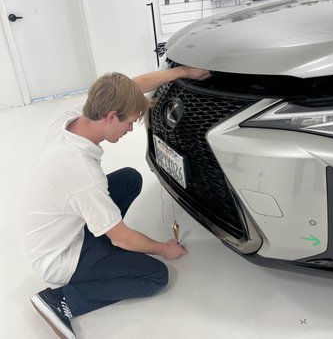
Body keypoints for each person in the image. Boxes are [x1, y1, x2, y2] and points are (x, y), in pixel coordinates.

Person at [18, 66, 210, 339]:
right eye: (129, 122)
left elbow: (131, 86)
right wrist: (163, 249)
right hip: (59, 258)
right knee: (155, 276)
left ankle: (100, 244)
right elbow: (123, 239)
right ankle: (61, 301)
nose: (131, 129)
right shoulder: (82, 172)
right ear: (111, 117)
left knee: (130, 179)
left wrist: (184, 72)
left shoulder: (75, 117)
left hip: (55, 231)